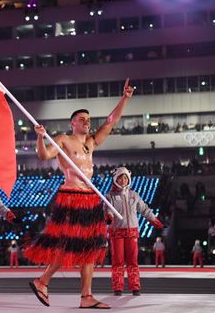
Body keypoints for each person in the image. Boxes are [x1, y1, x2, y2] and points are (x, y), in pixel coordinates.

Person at [25, 78, 135, 309]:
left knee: (91, 248)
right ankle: (42, 280)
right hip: (72, 197)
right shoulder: (64, 140)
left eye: (88, 120)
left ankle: (86, 296)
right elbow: (44, 156)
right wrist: (39, 136)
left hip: (90, 199)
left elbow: (110, 121)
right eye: (82, 119)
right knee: (68, 245)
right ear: (72, 123)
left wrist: (124, 99)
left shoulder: (92, 143)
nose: (87, 122)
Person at [104, 166, 163, 296]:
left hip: (132, 232)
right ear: (115, 179)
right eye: (120, 178)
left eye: (125, 178)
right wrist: (109, 217)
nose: (123, 180)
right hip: (117, 232)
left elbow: (144, 209)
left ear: (129, 179)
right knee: (117, 261)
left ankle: (135, 286)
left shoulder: (134, 195)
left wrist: (153, 219)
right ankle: (118, 287)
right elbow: (107, 210)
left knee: (132, 261)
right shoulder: (110, 196)